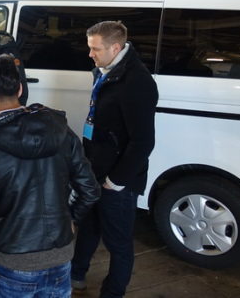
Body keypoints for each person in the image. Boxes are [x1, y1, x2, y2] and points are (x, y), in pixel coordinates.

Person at [0, 55, 100, 298]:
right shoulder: (60, 129)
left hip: (11, 260)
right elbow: (89, 189)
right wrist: (70, 218)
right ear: (20, 89)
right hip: (61, 256)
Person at [71, 21, 159, 298]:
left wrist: (116, 180)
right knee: (88, 228)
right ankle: (76, 275)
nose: (90, 54)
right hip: (95, 168)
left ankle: (113, 292)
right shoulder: (103, 71)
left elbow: (143, 141)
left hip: (117, 179)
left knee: (118, 243)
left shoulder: (137, 82)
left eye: (95, 49)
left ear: (116, 48)